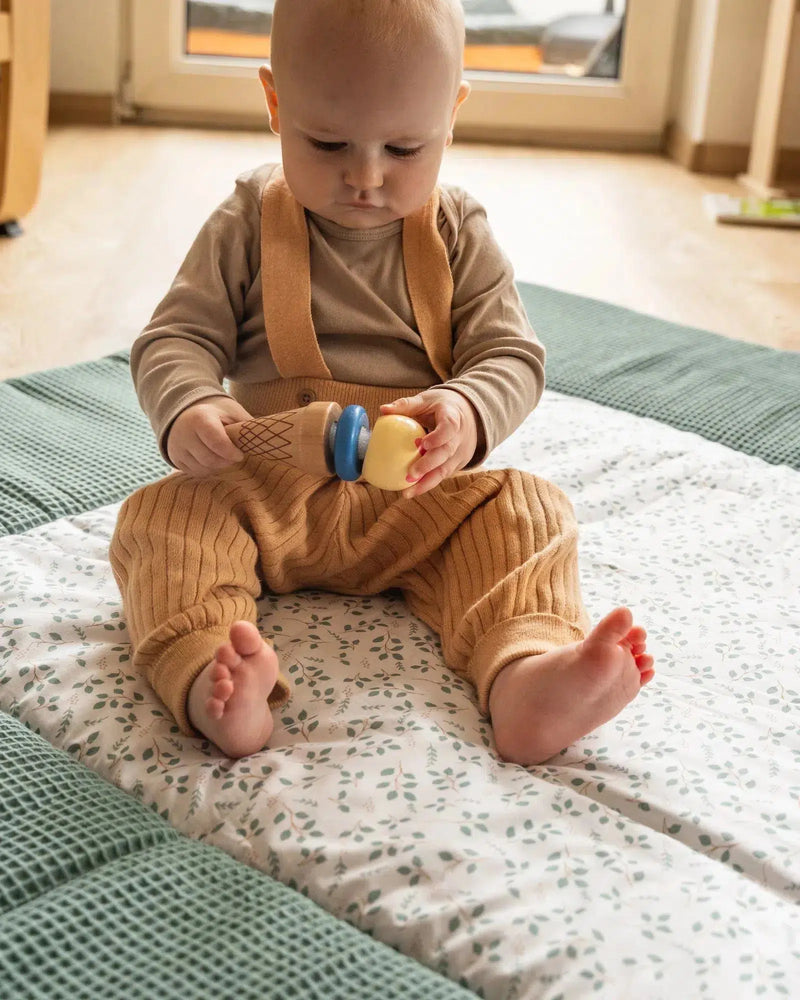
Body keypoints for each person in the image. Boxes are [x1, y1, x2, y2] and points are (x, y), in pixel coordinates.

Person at [110, 0, 653, 765]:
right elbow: (177, 336)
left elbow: (512, 357)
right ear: (274, 103)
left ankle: (526, 676)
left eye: (405, 147)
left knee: (527, 508)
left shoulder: (457, 230)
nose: (365, 177)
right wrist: (191, 402)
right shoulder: (246, 220)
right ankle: (210, 678)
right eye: (327, 142)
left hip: (416, 503)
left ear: (452, 114)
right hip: (265, 488)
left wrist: (464, 408)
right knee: (159, 520)